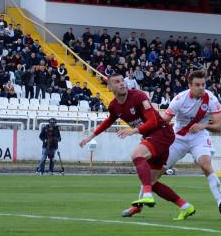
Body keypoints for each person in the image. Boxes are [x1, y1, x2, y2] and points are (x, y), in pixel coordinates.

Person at [79, 74, 195, 221]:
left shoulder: (138, 96)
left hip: (162, 133)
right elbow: (109, 121)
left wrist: (132, 131)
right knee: (151, 181)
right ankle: (185, 206)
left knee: (136, 155)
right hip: (152, 136)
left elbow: (153, 121)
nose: (122, 84)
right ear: (110, 87)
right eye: (117, 82)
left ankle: (146, 196)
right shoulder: (114, 105)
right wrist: (90, 136)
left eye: (122, 81)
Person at [134, 69, 221, 219]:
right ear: (190, 85)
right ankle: (137, 206)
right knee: (154, 174)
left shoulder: (211, 99)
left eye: (203, 84)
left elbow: (219, 126)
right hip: (177, 138)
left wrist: (203, 126)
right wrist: (151, 136)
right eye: (197, 85)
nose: (201, 88)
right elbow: (164, 121)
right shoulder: (179, 99)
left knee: (205, 164)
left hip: (199, 137)